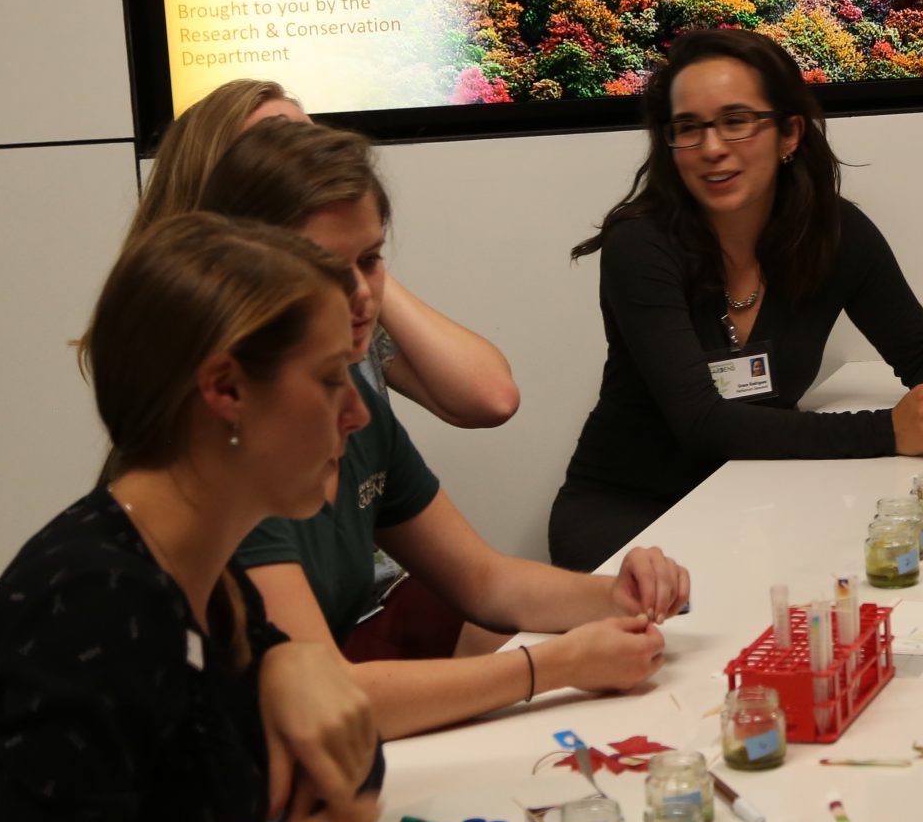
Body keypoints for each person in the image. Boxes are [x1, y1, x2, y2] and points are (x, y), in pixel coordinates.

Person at [0, 214, 384, 822]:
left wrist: (289, 662)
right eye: (331, 377)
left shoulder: (205, 580)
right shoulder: (95, 605)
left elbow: (348, 775)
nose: (357, 412)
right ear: (226, 387)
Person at [199, 118, 683, 737]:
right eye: (322, 265)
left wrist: (618, 595)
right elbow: (320, 697)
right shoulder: (225, 438)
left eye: (371, 260)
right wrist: (555, 664)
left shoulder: (349, 402)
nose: (361, 296)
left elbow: (482, 578)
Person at [551, 28, 923, 571]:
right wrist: (888, 430)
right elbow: (702, 423)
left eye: (736, 121)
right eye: (689, 128)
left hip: (762, 497)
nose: (711, 148)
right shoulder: (640, 244)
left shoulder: (836, 234)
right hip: (631, 514)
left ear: (789, 134)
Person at [119, 77, 520, 430]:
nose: (314, 171)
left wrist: (354, 255)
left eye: (313, 145)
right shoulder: (197, 344)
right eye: (283, 154)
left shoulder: (349, 310)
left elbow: (489, 399)